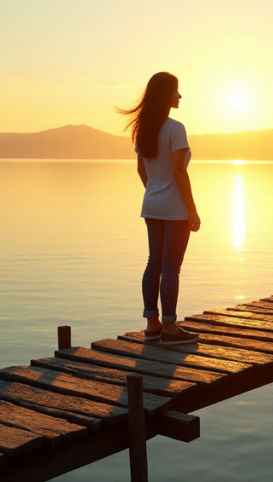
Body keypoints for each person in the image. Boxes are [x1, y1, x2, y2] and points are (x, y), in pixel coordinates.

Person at [120, 72, 201, 345]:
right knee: (171, 267)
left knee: (154, 263)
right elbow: (179, 172)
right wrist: (192, 209)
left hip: (151, 204)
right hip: (174, 208)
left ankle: (152, 325)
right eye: (176, 91)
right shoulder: (175, 128)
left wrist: (154, 191)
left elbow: (141, 169)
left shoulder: (144, 129)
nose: (180, 96)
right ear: (165, 95)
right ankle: (170, 329)